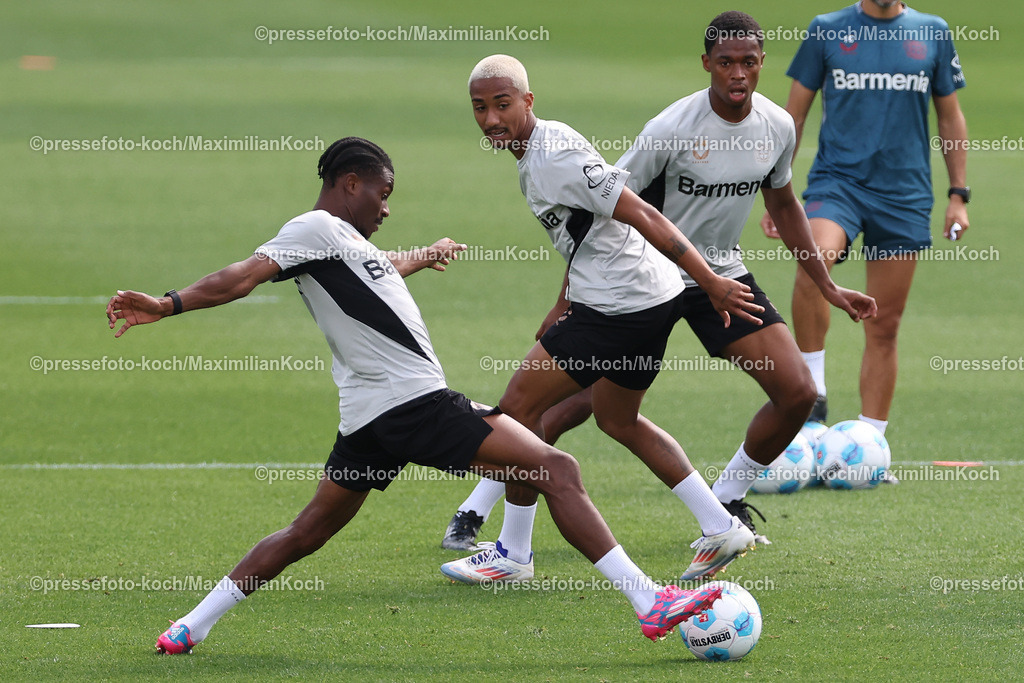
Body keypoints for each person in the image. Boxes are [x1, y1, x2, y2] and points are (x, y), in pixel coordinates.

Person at [106, 137, 724, 654]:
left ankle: (191, 625)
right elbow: (240, 277)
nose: (385, 207)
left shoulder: (340, 242)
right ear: (351, 183)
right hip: (413, 405)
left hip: (370, 420)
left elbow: (373, 270)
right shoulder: (312, 228)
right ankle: (650, 600)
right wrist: (168, 304)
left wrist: (423, 257)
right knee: (556, 467)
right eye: (383, 194)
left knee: (306, 533)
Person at [442, 12, 878, 551]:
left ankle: (726, 501)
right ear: (706, 65)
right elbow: (606, 216)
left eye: (748, 62)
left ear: (762, 64)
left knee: (796, 393)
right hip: (643, 277)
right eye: (725, 63)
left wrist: (827, 285)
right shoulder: (670, 129)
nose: (737, 74)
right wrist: (569, 299)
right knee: (572, 407)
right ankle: (474, 512)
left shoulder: (777, 127)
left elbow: (785, 204)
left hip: (717, 275)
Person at [440, 53, 769, 586]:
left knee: (518, 411)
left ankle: (513, 552)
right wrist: (564, 300)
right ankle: (719, 524)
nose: (491, 119)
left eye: (503, 105)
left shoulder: (556, 156)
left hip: (622, 305)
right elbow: (587, 232)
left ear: (528, 101)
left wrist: (707, 280)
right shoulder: (534, 151)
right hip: (646, 300)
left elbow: (642, 213)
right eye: (480, 108)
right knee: (618, 419)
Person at [761, 0, 969, 433]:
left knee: (884, 324)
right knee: (815, 260)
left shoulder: (932, 31)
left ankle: (870, 443)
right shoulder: (827, 29)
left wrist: (958, 196)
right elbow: (793, 114)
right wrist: (774, 193)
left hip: (904, 195)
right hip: (837, 185)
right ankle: (812, 394)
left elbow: (950, 117)